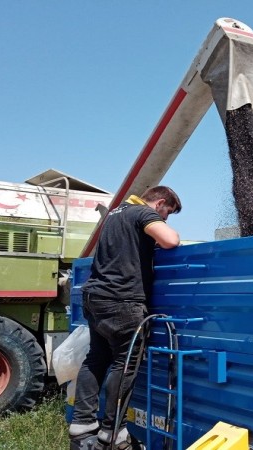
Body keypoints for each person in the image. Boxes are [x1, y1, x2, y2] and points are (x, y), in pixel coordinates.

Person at [69, 186, 182, 450]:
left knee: (96, 359)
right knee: (124, 364)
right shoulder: (142, 212)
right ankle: (113, 432)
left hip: (95, 296)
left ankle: (82, 424)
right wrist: (162, 228)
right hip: (122, 300)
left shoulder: (115, 214)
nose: (164, 219)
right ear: (159, 203)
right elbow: (171, 241)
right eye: (166, 214)